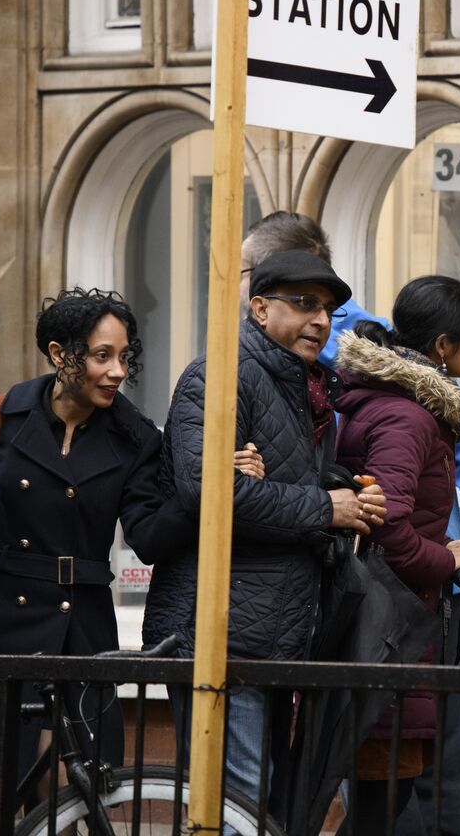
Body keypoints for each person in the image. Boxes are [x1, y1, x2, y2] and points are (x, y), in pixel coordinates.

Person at [142, 251, 388, 811]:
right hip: (221, 634)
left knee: (262, 807)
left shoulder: (307, 387)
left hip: (277, 635)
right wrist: (325, 508)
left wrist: (349, 497)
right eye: (303, 303)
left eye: (327, 308)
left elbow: (283, 487)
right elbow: (207, 493)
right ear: (258, 308)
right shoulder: (221, 374)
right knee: (238, 806)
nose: (320, 320)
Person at [239, 211, 460, 587]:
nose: (319, 321)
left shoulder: (376, 355)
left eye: (241, 271)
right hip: (327, 577)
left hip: (402, 585)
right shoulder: (252, 364)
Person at [0, 289, 164, 794]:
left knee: (75, 791)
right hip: (3, 622)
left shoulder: (136, 438)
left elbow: (149, 535)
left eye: (124, 356)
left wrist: (204, 491)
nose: (118, 371)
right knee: (5, 788)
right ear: (60, 355)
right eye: (102, 356)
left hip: (84, 626)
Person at [332, 275, 460, 835]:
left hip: (391, 626)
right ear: (443, 346)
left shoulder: (406, 409)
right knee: (381, 803)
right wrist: (448, 561)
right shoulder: (406, 415)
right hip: (388, 627)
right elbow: (390, 526)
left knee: (384, 802)